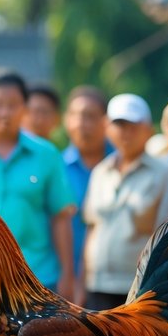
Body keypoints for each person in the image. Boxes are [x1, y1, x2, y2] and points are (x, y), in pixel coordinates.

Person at [0, 70, 77, 301]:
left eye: (12, 105)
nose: (4, 112)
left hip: (37, 276)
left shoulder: (46, 154)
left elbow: (60, 217)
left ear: (25, 108)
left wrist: (68, 274)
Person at [82, 94, 168, 311]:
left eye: (133, 125)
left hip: (140, 286)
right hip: (98, 284)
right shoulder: (101, 172)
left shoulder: (163, 174)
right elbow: (92, 227)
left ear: (148, 130)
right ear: (107, 128)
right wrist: (81, 280)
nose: (126, 132)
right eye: (119, 125)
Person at [61, 86, 110, 286]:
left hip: (113, 280)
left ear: (105, 122)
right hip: (66, 278)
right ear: (66, 120)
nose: (82, 124)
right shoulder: (56, 168)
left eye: (90, 116)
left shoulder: (123, 166)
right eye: (76, 115)